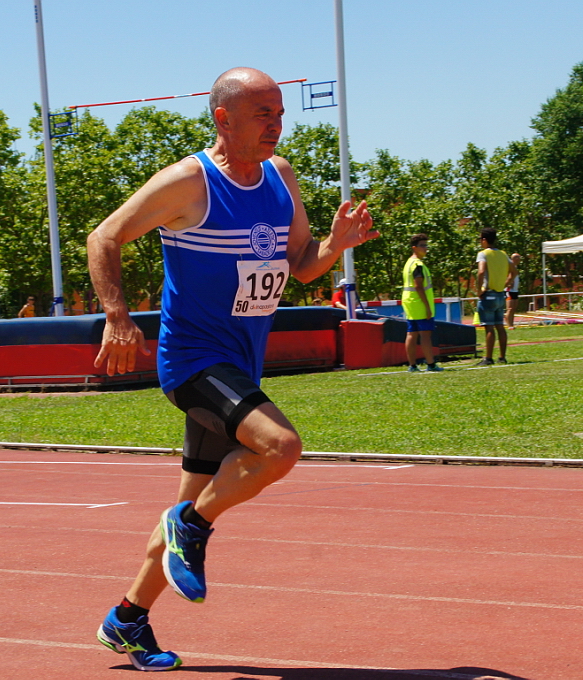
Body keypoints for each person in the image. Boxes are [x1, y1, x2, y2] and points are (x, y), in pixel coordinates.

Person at [86, 67, 377, 672]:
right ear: (223, 118)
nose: (277, 124)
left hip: (240, 367)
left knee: (189, 504)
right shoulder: (189, 182)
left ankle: (128, 618)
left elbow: (302, 264)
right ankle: (190, 527)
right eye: (263, 114)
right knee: (281, 446)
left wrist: (336, 244)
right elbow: (103, 237)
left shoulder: (280, 176)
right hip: (194, 362)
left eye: (280, 113)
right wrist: (117, 316)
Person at [474, 228, 517, 366]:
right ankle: (502, 357)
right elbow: (514, 272)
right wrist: (506, 283)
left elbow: (481, 272)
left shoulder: (483, 254)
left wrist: (479, 290)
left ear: (484, 240)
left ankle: (488, 358)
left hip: (488, 294)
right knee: (500, 326)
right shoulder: (503, 254)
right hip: (500, 294)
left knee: (489, 327)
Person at [402, 234, 443, 372]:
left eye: (426, 245)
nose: (425, 248)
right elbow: (418, 286)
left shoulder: (409, 262)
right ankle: (431, 364)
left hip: (410, 301)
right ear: (414, 248)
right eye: (422, 245)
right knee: (425, 334)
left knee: (411, 333)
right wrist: (427, 307)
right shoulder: (417, 265)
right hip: (419, 303)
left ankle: (412, 365)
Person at [505, 252, 521, 329]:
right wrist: (507, 283)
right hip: (509, 291)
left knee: (513, 308)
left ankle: (511, 324)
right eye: (518, 258)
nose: (519, 260)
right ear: (514, 259)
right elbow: (504, 276)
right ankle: (509, 325)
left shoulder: (515, 267)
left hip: (515, 291)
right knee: (510, 308)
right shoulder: (509, 267)